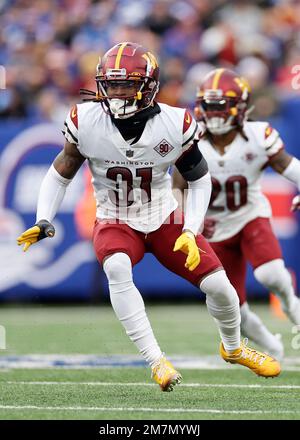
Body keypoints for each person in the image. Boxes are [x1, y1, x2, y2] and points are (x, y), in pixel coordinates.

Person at [17, 44, 280, 392]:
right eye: (111, 85)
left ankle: (233, 348)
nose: (117, 92)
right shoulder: (86, 121)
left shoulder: (174, 123)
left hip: (164, 218)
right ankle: (157, 361)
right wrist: (44, 218)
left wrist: (190, 227)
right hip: (115, 217)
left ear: (149, 86)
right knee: (116, 267)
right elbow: (60, 171)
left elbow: (200, 179)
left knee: (221, 288)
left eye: (127, 84)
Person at [172, 68, 300, 360]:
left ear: (240, 107)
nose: (215, 113)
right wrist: (185, 222)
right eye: (210, 105)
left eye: (222, 105)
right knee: (231, 306)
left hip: (249, 215)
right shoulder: (192, 140)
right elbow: (176, 188)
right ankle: (271, 344)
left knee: (272, 275)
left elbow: (288, 165)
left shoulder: (258, 135)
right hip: (213, 228)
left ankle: (293, 308)